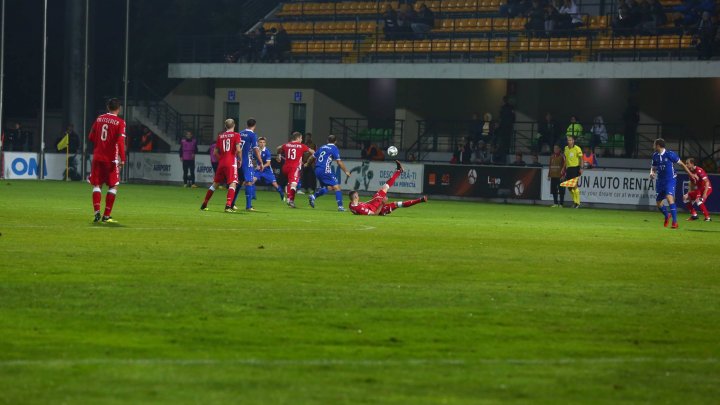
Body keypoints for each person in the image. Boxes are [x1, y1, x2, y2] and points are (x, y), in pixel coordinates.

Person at [88, 98, 126, 223]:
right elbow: (120, 142)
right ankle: (106, 216)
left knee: (97, 184)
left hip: (98, 156)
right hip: (111, 159)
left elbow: (91, 137)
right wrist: (123, 158)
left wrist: (101, 144)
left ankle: (96, 212)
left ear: (107, 107)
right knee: (114, 185)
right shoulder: (120, 122)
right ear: (118, 108)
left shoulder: (99, 119)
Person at [349, 160, 427, 216]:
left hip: (374, 203)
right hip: (379, 209)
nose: (359, 196)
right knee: (398, 203)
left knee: (385, 187)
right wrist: (382, 203)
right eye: (358, 195)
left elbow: (358, 208)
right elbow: (374, 214)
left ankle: (399, 171)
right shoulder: (360, 209)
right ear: (355, 196)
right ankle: (420, 200)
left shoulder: (351, 205)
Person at [649, 138, 695, 228]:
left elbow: (682, 164)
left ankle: (675, 222)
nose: (653, 146)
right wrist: (652, 172)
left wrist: (690, 173)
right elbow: (653, 167)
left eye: (654, 144)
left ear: (658, 145)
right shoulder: (655, 155)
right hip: (660, 181)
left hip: (670, 180)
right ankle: (667, 215)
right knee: (658, 203)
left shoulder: (670, 154)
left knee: (670, 198)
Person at [200, 119, 242, 213]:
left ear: (225, 126)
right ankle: (228, 206)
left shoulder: (220, 136)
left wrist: (222, 160)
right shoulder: (236, 135)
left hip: (222, 162)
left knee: (215, 184)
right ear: (234, 125)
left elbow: (215, 152)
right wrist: (240, 159)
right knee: (233, 183)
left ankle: (204, 203)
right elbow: (238, 150)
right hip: (231, 161)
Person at [306, 134, 352, 212]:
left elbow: (311, 157)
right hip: (325, 170)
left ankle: (313, 197)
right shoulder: (334, 148)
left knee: (328, 188)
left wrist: (307, 164)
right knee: (337, 187)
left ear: (327, 141)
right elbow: (339, 162)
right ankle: (340, 207)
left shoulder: (322, 147)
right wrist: (346, 171)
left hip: (317, 170)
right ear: (335, 141)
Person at [231, 118, 265, 211]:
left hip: (238, 160)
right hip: (246, 161)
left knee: (238, 182)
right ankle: (248, 206)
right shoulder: (252, 135)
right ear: (255, 125)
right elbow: (255, 149)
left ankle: (232, 203)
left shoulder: (240, 133)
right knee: (249, 182)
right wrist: (261, 162)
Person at [277, 131, 314, 208]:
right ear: (297, 138)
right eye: (301, 138)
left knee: (289, 183)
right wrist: (311, 157)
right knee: (294, 184)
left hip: (285, 167)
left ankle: (288, 198)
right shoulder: (302, 146)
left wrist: (279, 155)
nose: (301, 140)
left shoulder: (286, 145)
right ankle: (291, 201)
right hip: (294, 168)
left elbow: (278, 148)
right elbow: (312, 151)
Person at [562, 135, 583, 208]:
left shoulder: (577, 148)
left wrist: (581, 168)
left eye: (570, 140)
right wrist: (563, 168)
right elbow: (566, 160)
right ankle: (575, 202)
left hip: (575, 168)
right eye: (568, 140)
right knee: (569, 187)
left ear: (573, 141)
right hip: (568, 169)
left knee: (574, 185)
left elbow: (581, 159)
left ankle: (577, 203)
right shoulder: (566, 148)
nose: (569, 141)